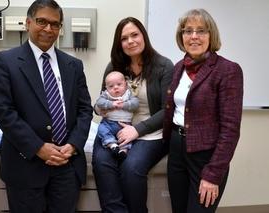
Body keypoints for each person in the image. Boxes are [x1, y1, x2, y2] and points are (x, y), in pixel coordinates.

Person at [0, 0, 93, 212]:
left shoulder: (73, 65)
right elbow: (3, 112)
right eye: (42, 21)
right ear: (28, 23)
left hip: (66, 165)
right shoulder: (4, 62)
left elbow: (85, 110)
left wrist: (74, 144)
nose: (48, 29)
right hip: (25, 165)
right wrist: (38, 148)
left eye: (55, 24)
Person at [163, 8, 243, 213]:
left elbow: (230, 129)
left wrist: (213, 173)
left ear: (211, 35)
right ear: (182, 36)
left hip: (206, 156)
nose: (194, 36)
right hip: (177, 150)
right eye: (188, 31)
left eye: (201, 31)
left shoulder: (228, 70)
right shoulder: (179, 67)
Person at [92, 17, 174, 213]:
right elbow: (102, 99)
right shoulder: (114, 67)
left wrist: (137, 130)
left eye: (135, 35)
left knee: (131, 168)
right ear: (119, 44)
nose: (130, 41)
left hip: (151, 132)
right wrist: (100, 108)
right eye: (124, 38)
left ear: (143, 36)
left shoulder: (164, 66)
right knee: (102, 162)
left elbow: (167, 110)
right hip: (115, 128)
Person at [96, 71, 139, 160]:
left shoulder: (128, 94)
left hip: (125, 125)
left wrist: (123, 105)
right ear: (106, 88)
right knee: (101, 129)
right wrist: (111, 104)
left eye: (119, 84)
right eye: (111, 86)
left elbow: (135, 104)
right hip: (108, 122)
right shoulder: (106, 95)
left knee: (127, 139)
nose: (115, 87)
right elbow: (99, 102)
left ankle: (123, 151)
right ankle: (112, 145)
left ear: (126, 84)